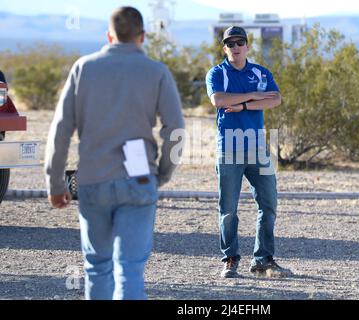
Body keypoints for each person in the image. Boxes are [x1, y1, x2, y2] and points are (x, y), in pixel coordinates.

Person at [44, 7, 185, 299]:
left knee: (97, 266)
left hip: (93, 179)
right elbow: (176, 129)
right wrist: (162, 173)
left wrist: (56, 183)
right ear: (142, 36)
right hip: (138, 179)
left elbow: (60, 130)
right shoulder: (156, 71)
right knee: (130, 268)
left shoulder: (83, 68)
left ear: (109, 35)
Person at [205, 26, 291, 278]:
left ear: (247, 46)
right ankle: (230, 260)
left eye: (239, 42)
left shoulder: (261, 72)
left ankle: (263, 260)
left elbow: (275, 99)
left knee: (268, 204)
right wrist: (254, 95)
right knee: (228, 209)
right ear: (224, 48)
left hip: (257, 148)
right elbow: (218, 100)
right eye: (230, 43)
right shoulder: (217, 72)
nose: (235, 47)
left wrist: (242, 104)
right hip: (228, 147)